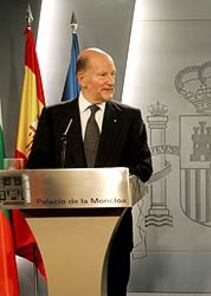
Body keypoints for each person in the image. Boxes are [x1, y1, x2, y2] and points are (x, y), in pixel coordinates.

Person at [27, 48, 153, 295]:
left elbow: (144, 167)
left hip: (114, 231)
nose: (110, 81)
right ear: (81, 78)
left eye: (113, 74)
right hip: (64, 228)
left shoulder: (129, 118)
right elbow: (37, 168)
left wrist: (115, 182)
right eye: (103, 74)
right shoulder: (55, 117)